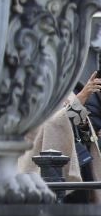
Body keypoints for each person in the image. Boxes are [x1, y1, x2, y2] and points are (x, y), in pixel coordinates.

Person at [22, 71, 101, 202]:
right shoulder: (35, 92)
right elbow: (51, 124)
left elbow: (78, 126)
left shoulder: (70, 90)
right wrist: (82, 97)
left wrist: (87, 126)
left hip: (77, 164)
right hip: (45, 167)